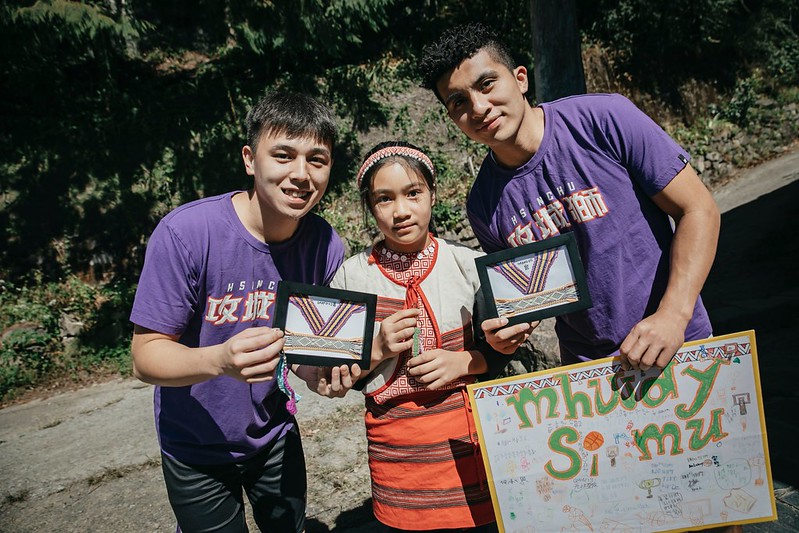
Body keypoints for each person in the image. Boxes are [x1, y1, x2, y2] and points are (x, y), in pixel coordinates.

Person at [418, 22, 721, 373]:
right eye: (458, 102)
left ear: (520, 79)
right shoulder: (484, 205)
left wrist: (673, 314)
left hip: (679, 342)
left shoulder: (605, 119)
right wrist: (511, 331)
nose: (479, 107)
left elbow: (698, 209)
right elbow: (531, 299)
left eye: (487, 84)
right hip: (588, 372)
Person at [129, 91, 360, 533]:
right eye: (283, 155)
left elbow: (304, 349)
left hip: (275, 435)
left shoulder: (325, 246)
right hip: (195, 447)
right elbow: (145, 357)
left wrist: (320, 377)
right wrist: (217, 360)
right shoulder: (186, 234)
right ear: (250, 160)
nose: (300, 174)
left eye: (317, 159)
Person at [330, 141, 505, 532]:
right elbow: (339, 375)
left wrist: (464, 362)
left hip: (469, 443)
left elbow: (504, 353)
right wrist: (375, 349)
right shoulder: (353, 277)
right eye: (384, 199)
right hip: (398, 457)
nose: (401, 210)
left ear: (432, 194)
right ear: (370, 207)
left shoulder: (467, 266)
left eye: (413, 193)